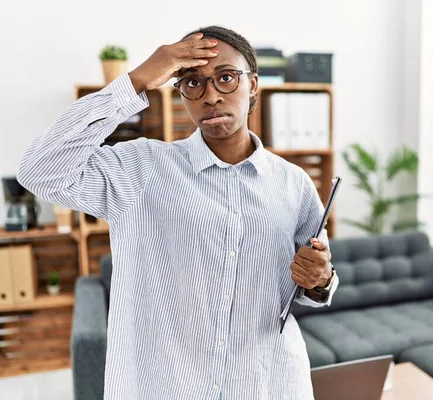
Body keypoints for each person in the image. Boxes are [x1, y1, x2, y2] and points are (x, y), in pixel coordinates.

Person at [17, 26, 339, 400]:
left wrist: (321, 278)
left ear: (253, 85)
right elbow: (39, 169)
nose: (211, 96)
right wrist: (136, 80)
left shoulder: (294, 184)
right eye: (192, 83)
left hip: (266, 383)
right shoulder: (141, 168)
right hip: (166, 386)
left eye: (226, 78)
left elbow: (314, 282)